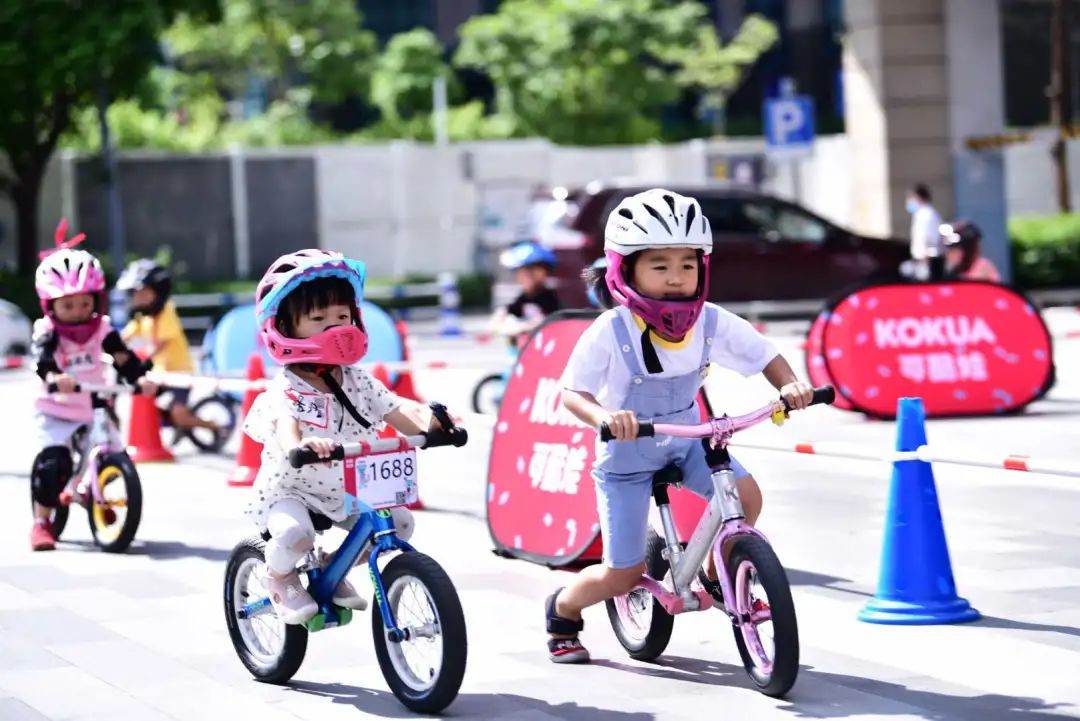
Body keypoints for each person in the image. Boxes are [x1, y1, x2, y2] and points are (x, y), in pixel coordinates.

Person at [545, 189, 813, 663]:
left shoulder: (710, 321)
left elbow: (763, 355)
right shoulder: (611, 329)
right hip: (626, 455)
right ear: (625, 271)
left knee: (746, 497)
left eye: (687, 266)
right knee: (621, 576)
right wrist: (606, 418)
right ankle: (563, 610)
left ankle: (718, 571)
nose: (675, 278)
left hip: (689, 441)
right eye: (660, 265)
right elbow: (571, 392)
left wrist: (791, 385)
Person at [242, 249, 456, 624]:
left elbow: (397, 409)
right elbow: (286, 424)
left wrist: (433, 422)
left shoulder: (357, 379)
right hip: (291, 489)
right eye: (319, 318)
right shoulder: (286, 388)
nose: (336, 327)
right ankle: (278, 576)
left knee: (400, 524)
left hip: (347, 487)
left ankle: (332, 567)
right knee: (295, 535)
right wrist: (301, 445)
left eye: (343, 316)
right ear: (285, 328)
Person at [30, 220, 156, 551]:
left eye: (84, 303)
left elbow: (122, 356)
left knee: (114, 453)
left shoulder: (101, 328)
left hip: (95, 404)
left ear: (96, 300)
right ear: (50, 305)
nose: (77, 311)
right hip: (57, 409)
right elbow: (42, 361)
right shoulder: (47, 331)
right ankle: (42, 521)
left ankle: (92, 488)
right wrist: (56, 378)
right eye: (67, 305)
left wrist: (139, 379)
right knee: (52, 466)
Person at [118, 259, 218, 439]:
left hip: (179, 373)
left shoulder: (166, 312)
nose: (139, 298)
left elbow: (161, 343)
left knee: (180, 415)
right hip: (160, 373)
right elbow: (125, 335)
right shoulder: (144, 317)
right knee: (143, 398)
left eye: (144, 293)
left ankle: (213, 425)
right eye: (136, 294)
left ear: (158, 292)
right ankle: (170, 422)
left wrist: (145, 360)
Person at [489, 240, 561, 343]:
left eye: (532, 270)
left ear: (545, 272)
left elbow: (553, 321)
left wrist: (523, 327)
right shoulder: (524, 298)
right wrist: (501, 318)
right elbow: (505, 314)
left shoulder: (550, 298)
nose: (527, 275)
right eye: (522, 271)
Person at [906, 184, 944, 281]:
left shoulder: (927, 215)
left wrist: (925, 263)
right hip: (921, 260)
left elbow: (930, 239)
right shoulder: (920, 214)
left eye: (911, 197)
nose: (909, 200)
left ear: (919, 197)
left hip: (928, 261)